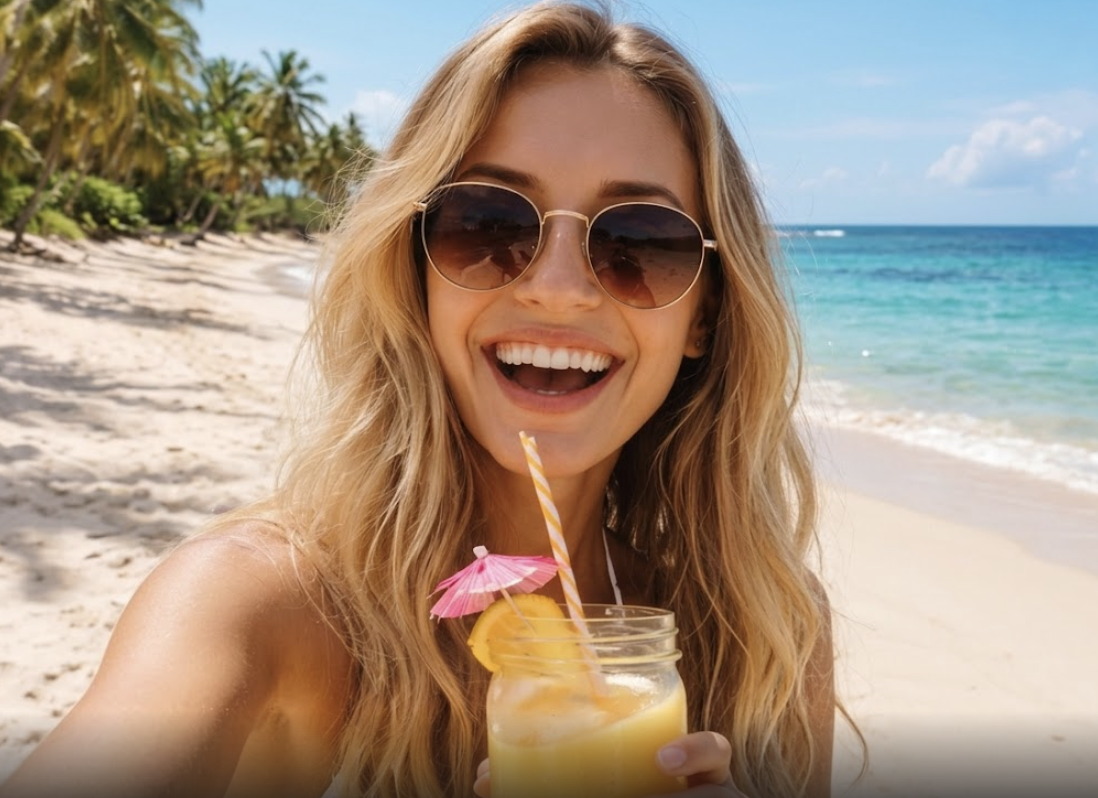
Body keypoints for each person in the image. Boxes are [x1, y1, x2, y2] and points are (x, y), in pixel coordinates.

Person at [1, 2, 849, 796]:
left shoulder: (771, 639)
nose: (558, 288)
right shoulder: (256, 605)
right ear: (416, 274)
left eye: (638, 240)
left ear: (705, 314)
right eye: (488, 225)